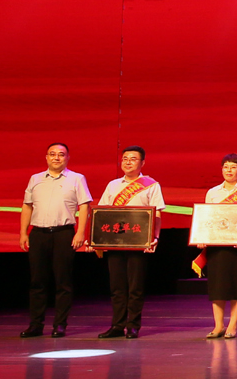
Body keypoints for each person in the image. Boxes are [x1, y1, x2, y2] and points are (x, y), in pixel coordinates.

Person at [19, 142, 92, 338]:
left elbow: (84, 206)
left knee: (63, 281)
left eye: (61, 154)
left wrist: (80, 232)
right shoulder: (35, 179)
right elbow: (27, 206)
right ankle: (35, 325)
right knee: (37, 281)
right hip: (38, 233)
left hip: (63, 233)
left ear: (67, 158)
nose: (56, 158)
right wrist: (23, 233)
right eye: (52, 154)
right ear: (46, 157)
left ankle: (60, 325)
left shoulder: (76, 178)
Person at [97, 146, 165, 339]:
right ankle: (117, 325)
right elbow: (102, 213)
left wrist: (155, 238)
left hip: (138, 242)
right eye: (125, 158)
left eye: (133, 159)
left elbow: (156, 214)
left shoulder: (151, 185)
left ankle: (133, 326)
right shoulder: (112, 185)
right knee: (117, 287)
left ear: (142, 163)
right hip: (115, 242)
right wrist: (99, 241)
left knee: (135, 287)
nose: (128, 162)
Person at [198, 153, 237, 339]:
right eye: (226, 167)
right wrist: (202, 237)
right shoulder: (213, 193)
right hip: (217, 246)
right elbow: (207, 218)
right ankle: (218, 326)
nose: (229, 170)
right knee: (217, 286)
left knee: (236, 286)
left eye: (233, 167)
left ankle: (232, 325)